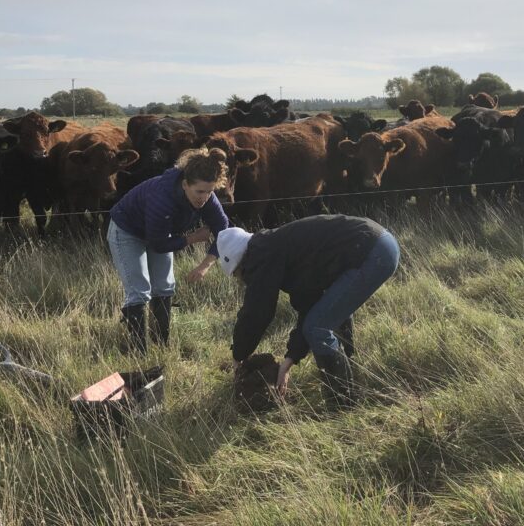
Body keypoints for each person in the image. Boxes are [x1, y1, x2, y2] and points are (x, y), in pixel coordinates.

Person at [216, 214, 400, 409]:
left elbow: (257, 310)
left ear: (241, 264)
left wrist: (239, 354)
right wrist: (289, 361)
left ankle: (343, 404)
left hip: (372, 252)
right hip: (379, 243)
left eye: (237, 275)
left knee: (317, 327)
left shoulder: (261, 254)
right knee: (325, 314)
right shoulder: (275, 249)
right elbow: (310, 305)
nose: (241, 281)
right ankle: (349, 378)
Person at [107, 147, 230, 353]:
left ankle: (162, 343)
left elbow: (223, 232)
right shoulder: (162, 197)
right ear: (184, 184)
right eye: (199, 192)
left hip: (160, 233)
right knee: (139, 289)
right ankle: (140, 351)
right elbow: (159, 244)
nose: (204, 198)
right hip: (127, 231)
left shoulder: (207, 198)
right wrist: (191, 238)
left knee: (165, 286)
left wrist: (204, 265)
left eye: (210, 192)